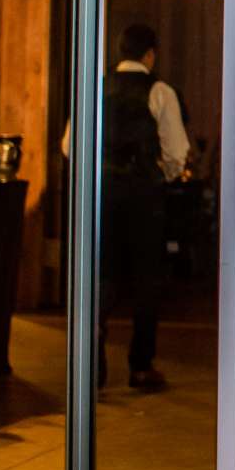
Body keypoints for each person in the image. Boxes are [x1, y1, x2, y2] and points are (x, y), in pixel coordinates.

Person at [102, 23, 189, 392]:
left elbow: (69, 145)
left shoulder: (97, 87)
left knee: (102, 276)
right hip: (143, 194)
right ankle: (140, 366)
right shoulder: (160, 90)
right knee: (145, 280)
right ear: (150, 55)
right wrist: (166, 174)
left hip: (103, 193)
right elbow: (176, 151)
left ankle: (93, 365)